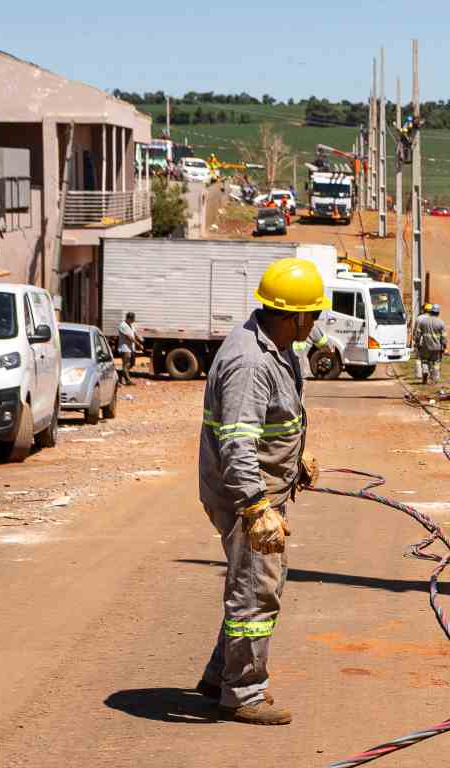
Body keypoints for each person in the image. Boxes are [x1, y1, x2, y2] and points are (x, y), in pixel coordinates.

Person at [196, 258, 328, 726]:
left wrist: (296, 461)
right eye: (312, 314)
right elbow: (237, 439)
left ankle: (219, 676)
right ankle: (243, 693)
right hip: (244, 496)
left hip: (262, 488)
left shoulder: (278, 347)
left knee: (249, 585)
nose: (316, 322)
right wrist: (255, 505)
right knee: (256, 592)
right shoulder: (251, 362)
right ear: (294, 315)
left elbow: (274, 421)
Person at [414, 304, 447, 384]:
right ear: (438, 312)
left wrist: (417, 343)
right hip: (436, 347)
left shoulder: (423, 322)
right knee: (436, 362)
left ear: (431, 312)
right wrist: (444, 346)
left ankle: (425, 372)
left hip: (425, 346)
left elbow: (418, 334)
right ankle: (434, 379)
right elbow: (444, 337)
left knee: (424, 361)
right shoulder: (441, 323)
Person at [116, 312, 142, 385]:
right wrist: (138, 344)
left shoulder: (130, 325)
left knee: (132, 363)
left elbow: (134, 333)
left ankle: (120, 375)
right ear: (128, 318)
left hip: (131, 348)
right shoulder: (123, 325)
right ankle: (128, 381)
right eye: (133, 319)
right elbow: (129, 337)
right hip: (125, 348)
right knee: (126, 364)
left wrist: (140, 338)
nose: (134, 320)